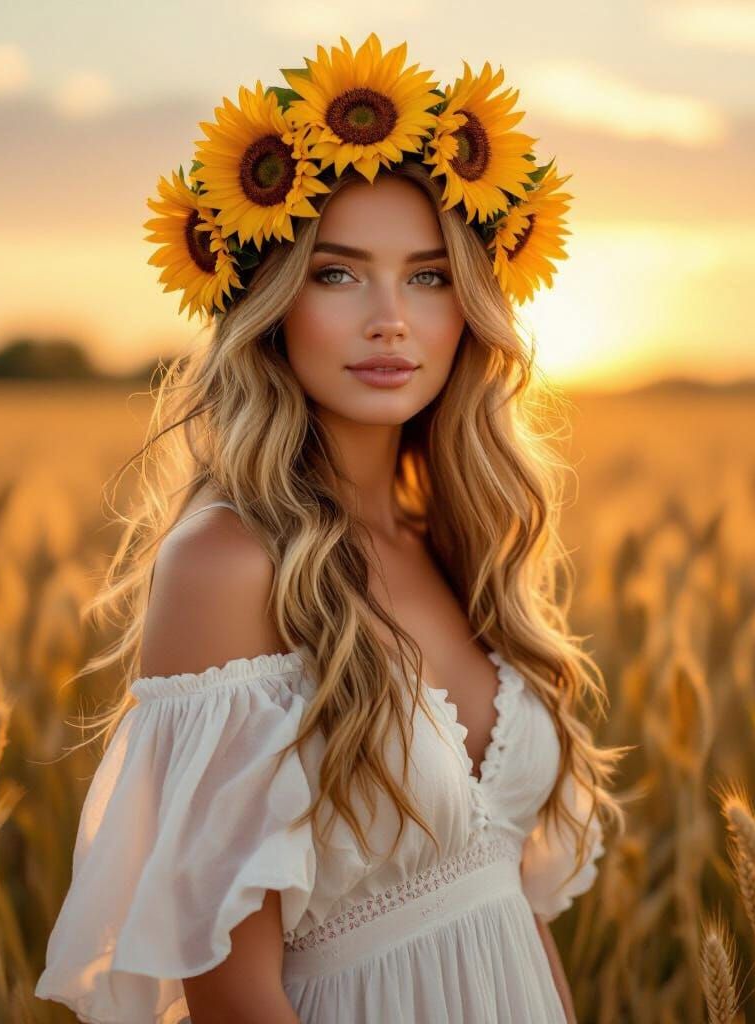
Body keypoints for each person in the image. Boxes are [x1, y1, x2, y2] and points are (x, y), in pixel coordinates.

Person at [35, 33, 626, 1024]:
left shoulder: (457, 544)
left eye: (429, 277)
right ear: (269, 304)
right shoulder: (228, 564)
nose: (390, 319)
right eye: (338, 274)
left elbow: (511, 911)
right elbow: (229, 990)